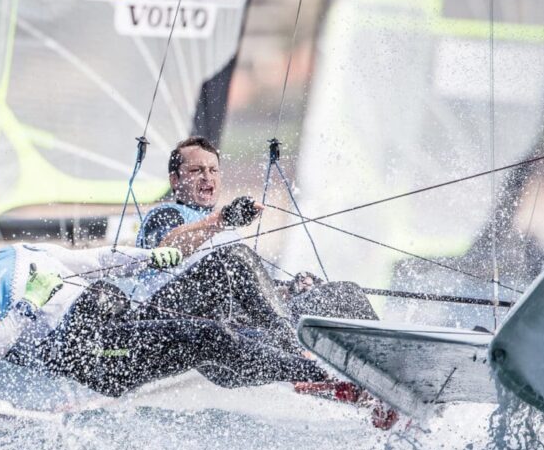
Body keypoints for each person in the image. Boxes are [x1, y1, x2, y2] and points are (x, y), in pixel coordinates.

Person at [0, 185, 332, 398]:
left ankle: (303, 352)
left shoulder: (24, 252)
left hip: (122, 320)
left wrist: (150, 257)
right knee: (209, 336)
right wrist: (28, 305)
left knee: (226, 264)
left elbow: (95, 260)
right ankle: (323, 376)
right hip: (93, 353)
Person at [135, 137, 378, 322]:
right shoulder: (166, 214)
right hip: (184, 319)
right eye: (196, 170)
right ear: (175, 180)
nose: (207, 177)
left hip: (242, 320)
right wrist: (221, 219)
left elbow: (249, 293)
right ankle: (305, 357)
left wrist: (288, 291)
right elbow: (164, 250)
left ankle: (378, 370)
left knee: (344, 293)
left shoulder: (223, 228)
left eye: (213, 170)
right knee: (237, 259)